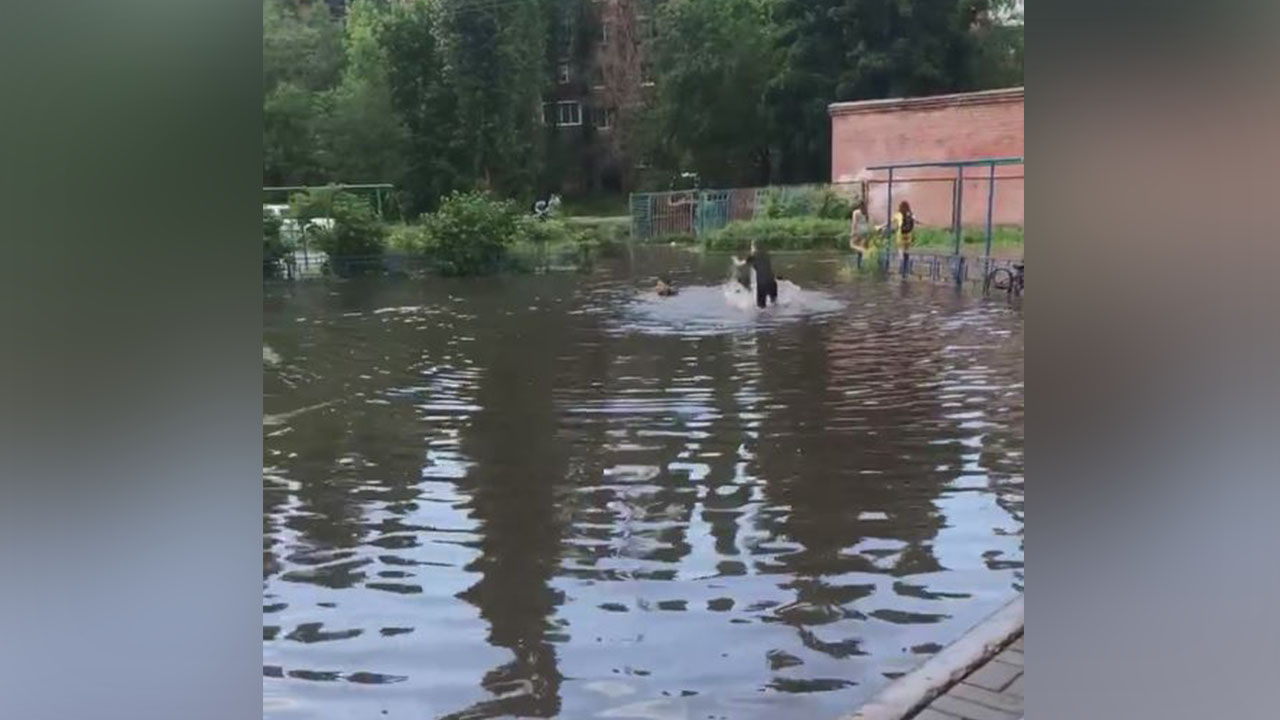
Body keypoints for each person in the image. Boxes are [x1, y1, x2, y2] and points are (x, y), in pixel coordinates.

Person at [734, 240, 777, 308]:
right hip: (772, 282)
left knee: (761, 307)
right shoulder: (767, 254)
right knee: (774, 304)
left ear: (754, 247)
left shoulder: (754, 256)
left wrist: (735, 260)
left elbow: (740, 264)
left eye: (751, 247)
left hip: (762, 284)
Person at [893, 200, 915, 276]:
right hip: (908, 236)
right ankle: (906, 269)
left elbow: (893, 222)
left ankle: (902, 270)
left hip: (901, 236)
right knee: (906, 253)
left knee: (901, 252)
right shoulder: (911, 214)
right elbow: (913, 224)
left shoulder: (898, 214)